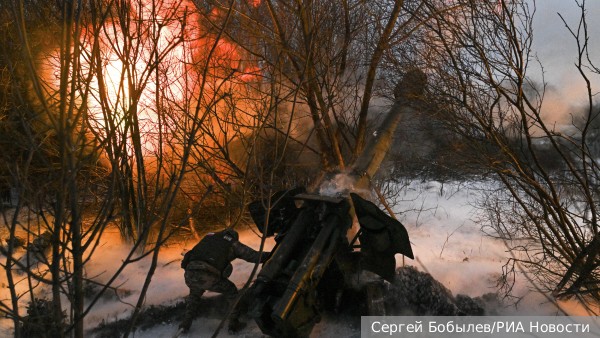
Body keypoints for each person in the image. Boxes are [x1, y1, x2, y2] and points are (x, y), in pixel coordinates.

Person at [179, 228, 269, 334]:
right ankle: (233, 324)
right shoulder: (231, 243)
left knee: (194, 297)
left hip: (189, 274)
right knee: (232, 292)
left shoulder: (208, 237)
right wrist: (272, 255)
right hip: (208, 274)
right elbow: (254, 256)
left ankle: (185, 325)